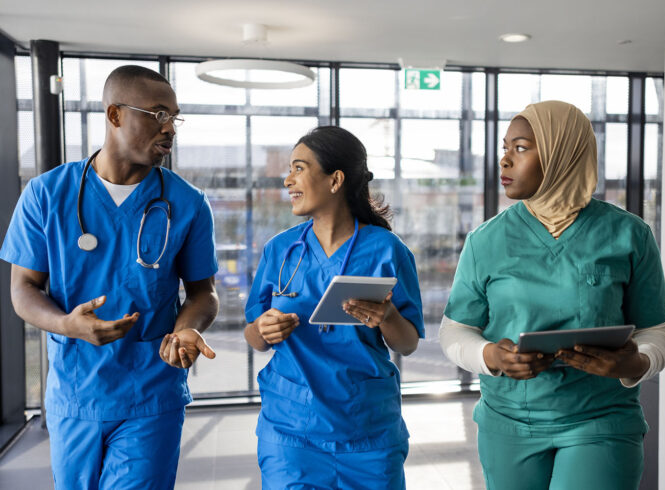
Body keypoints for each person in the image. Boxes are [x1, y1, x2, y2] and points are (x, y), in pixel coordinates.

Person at [1, 65, 219, 489]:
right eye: (158, 114)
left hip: (152, 390)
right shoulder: (47, 194)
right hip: (75, 392)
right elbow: (23, 289)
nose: (170, 128)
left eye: (174, 117)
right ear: (115, 114)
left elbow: (203, 293)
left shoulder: (188, 203)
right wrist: (67, 325)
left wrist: (186, 330)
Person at [439, 100, 665, 490]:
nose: (504, 161)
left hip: (600, 419)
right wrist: (491, 356)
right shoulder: (485, 241)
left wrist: (635, 364)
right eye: (504, 148)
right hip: (508, 422)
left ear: (561, 152)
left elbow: (658, 332)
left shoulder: (629, 235)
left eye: (520, 148)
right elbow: (454, 332)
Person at [244, 126, 424, 489]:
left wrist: (387, 317)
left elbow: (407, 343)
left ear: (335, 180)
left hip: (367, 430)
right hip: (291, 432)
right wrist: (263, 329)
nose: (287, 180)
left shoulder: (388, 250)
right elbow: (254, 334)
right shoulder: (281, 250)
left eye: (298, 168)